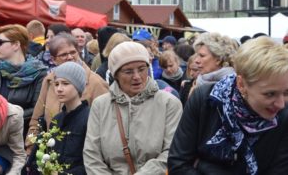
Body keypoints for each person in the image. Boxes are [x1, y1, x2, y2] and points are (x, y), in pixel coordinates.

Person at [168, 36, 288, 174]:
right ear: (241, 84)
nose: (280, 104)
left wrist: (204, 167)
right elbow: (177, 165)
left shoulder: (284, 119)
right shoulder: (204, 100)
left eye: (286, 92)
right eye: (270, 94)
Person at [83, 41, 183, 174]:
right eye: (128, 71)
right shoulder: (100, 105)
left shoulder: (169, 103)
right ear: (116, 75)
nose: (136, 77)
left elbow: (172, 151)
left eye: (142, 69)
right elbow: (92, 155)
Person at [26, 33, 108, 154]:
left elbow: (106, 126)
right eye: (64, 54)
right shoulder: (49, 81)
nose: (70, 57)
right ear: (53, 59)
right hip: (50, 156)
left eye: (73, 52)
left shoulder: (96, 82)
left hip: (83, 157)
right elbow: (36, 120)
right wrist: (30, 148)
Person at [0, 24, 47, 137]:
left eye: (0, 43)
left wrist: (6, 115)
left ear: (16, 45)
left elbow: (37, 109)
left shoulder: (40, 74)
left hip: (23, 136)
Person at [50, 61, 89, 175]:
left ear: (78, 87)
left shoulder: (89, 118)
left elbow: (92, 160)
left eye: (65, 83)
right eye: (56, 84)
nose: (59, 89)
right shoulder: (56, 120)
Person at [189, 32, 237, 98]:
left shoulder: (232, 87)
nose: (196, 61)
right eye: (197, 55)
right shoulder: (200, 81)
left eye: (202, 56)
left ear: (218, 60)